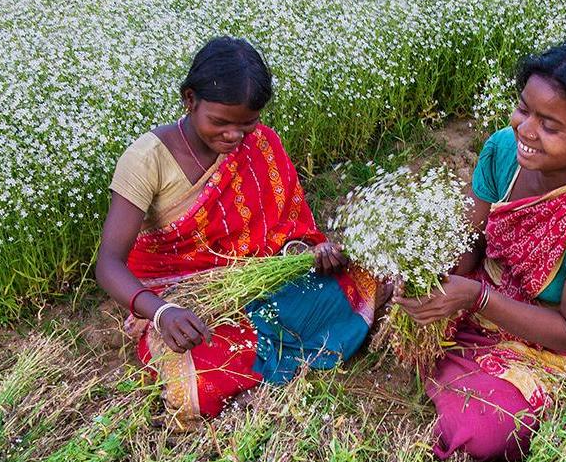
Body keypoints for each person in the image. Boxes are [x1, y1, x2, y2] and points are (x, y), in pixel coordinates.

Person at [394, 37, 566, 460]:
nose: (525, 130)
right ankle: (460, 364)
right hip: (494, 290)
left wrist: (475, 298)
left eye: (550, 126)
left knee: (482, 430)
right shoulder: (504, 151)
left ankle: (470, 375)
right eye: (523, 109)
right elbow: (471, 241)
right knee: (388, 292)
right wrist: (434, 276)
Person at [95, 36, 377, 428]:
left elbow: (286, 229)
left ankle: (265, 363)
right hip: (184, 299)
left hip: (257, 281)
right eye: (220, 122)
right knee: (198, 380)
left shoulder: (261, 144)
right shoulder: (147, 160)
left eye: (247, 124)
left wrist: (307, 251)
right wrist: (161, 313)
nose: (234, 137)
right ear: (189, 100)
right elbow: (109, 263)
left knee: (349, 282)